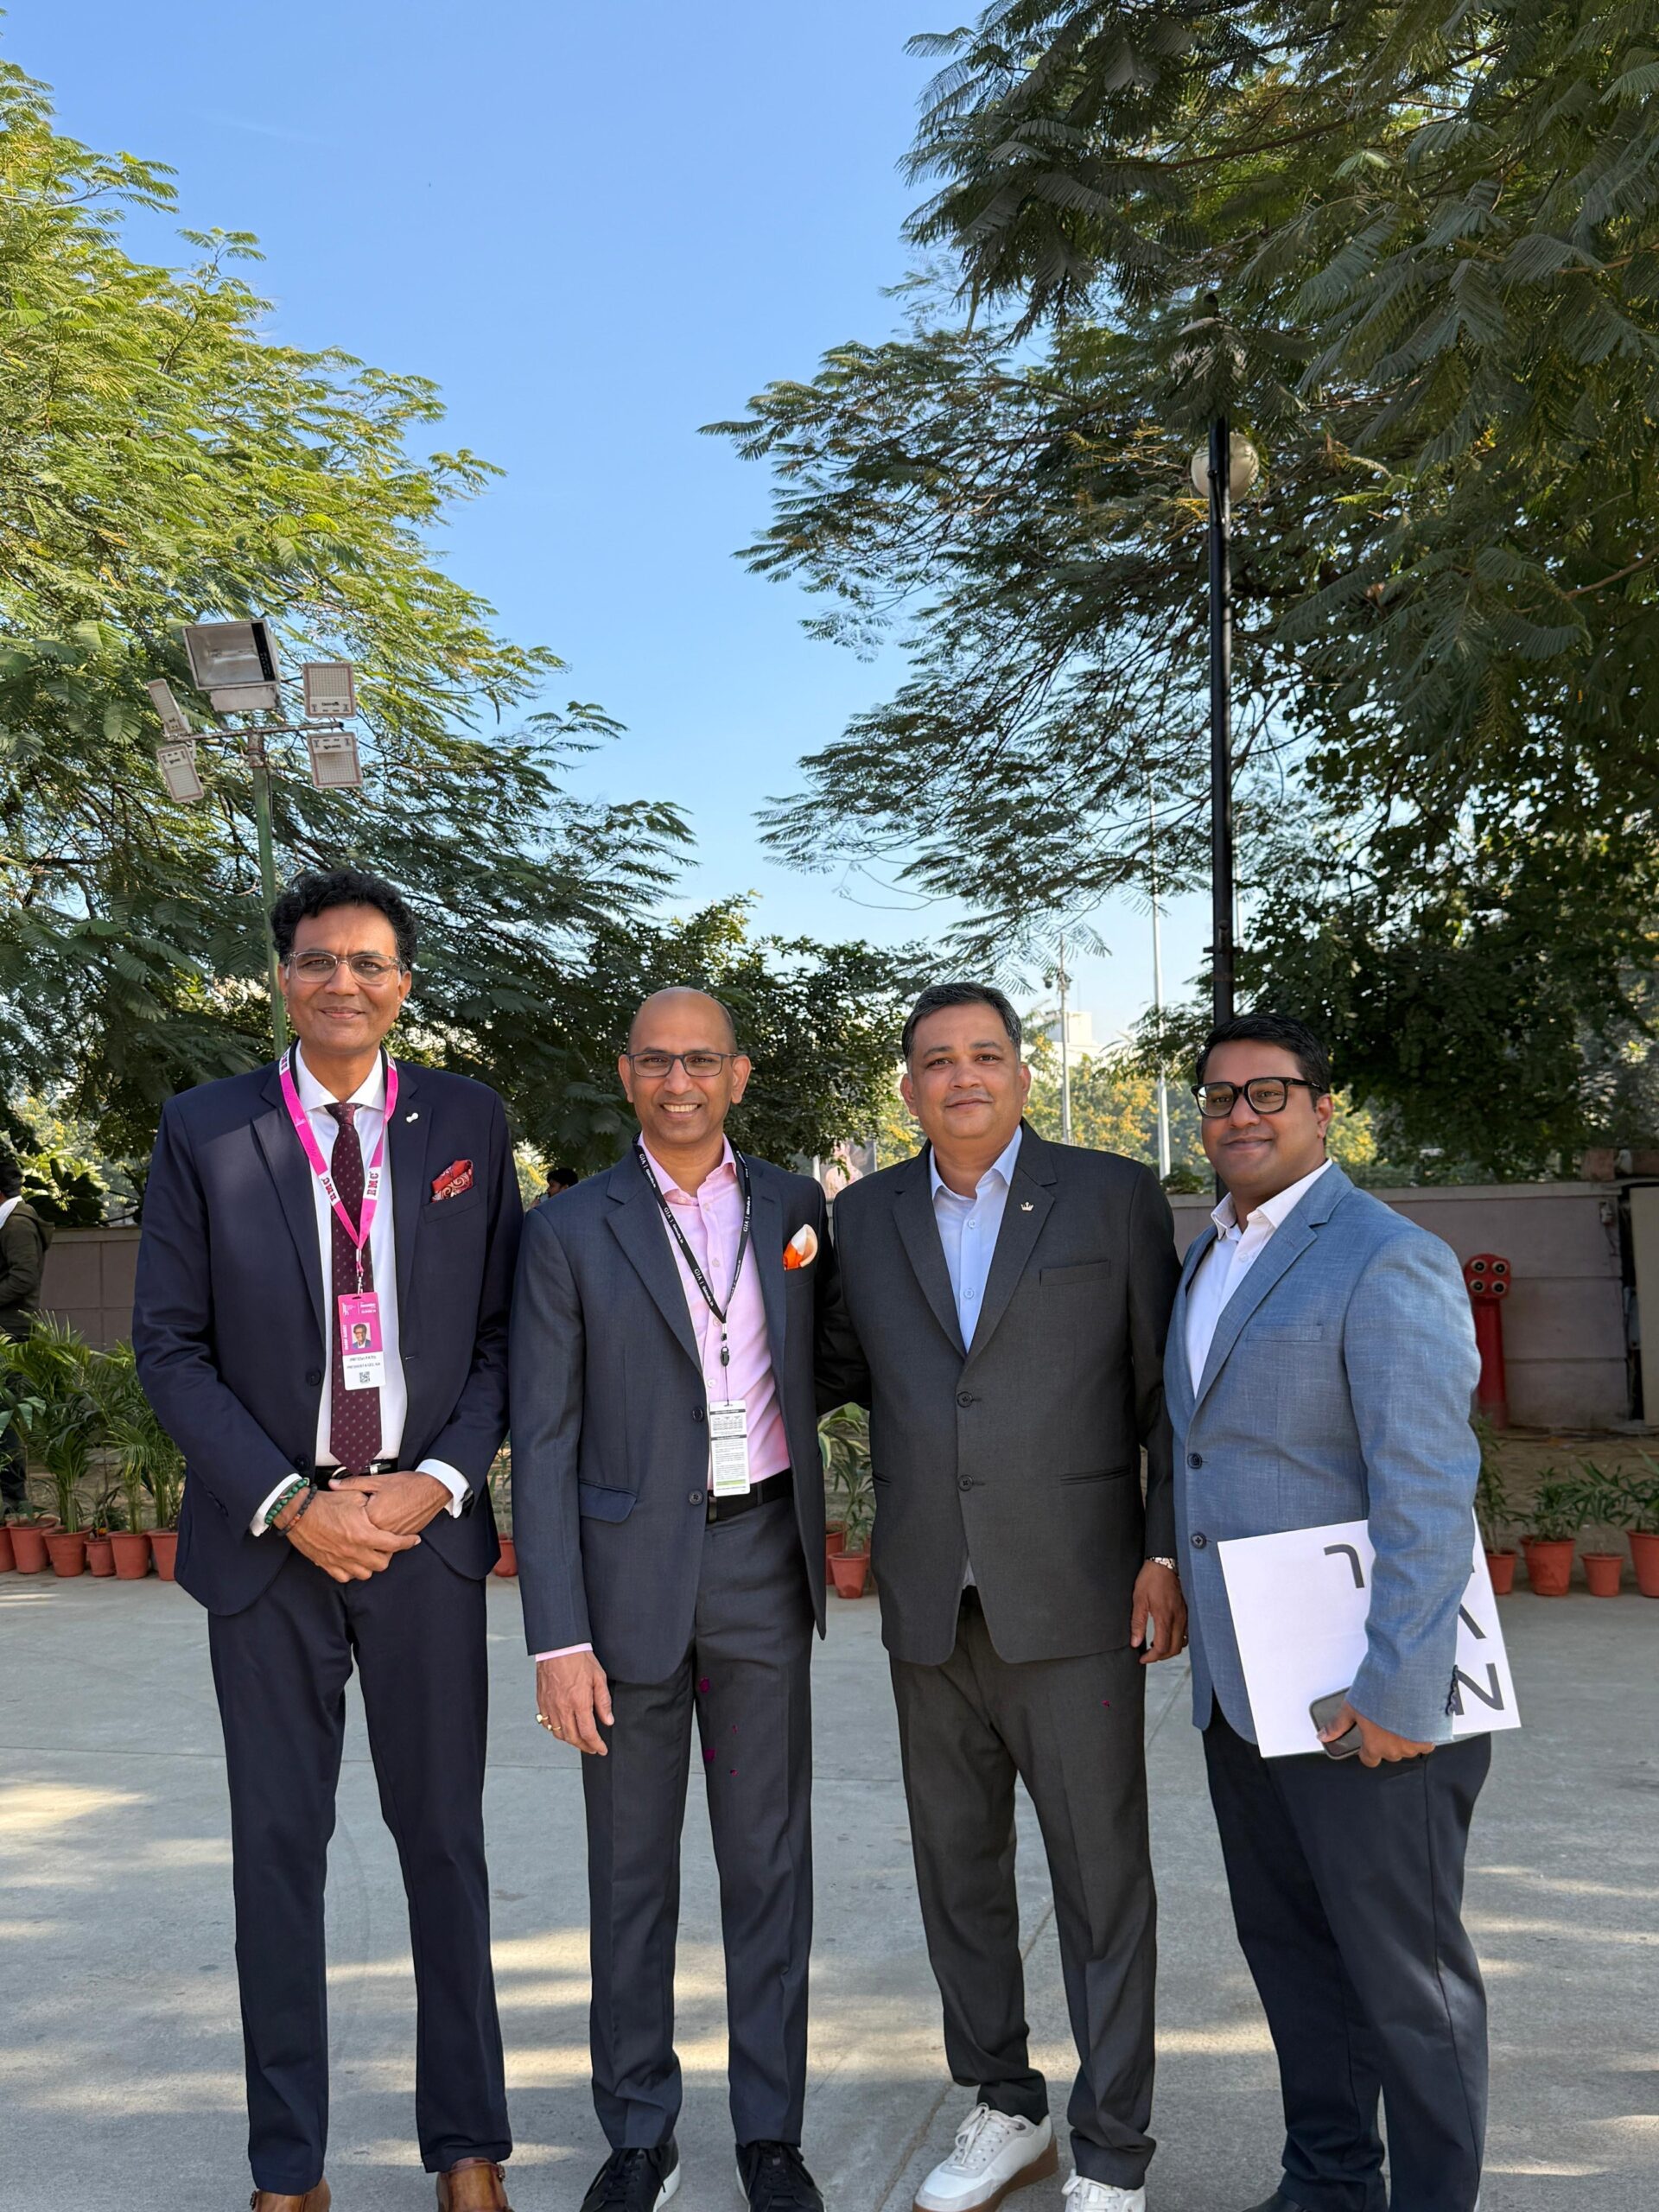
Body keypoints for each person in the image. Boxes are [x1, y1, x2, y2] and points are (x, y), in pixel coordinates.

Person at [133, 868, 523, 2212]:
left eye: (368, 962)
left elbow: (503, 1335)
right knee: (278, 1854)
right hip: (269, 1548)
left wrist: (438, 1481)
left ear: (403, 985)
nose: (341, 982)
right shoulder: (205, 1129)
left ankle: (467, 2149)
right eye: (316, 960)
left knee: (444, 1845)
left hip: (422, 1541)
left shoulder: (466, 1121)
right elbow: (168, 1346)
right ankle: (286, 2169)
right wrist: (294, 1504)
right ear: (283, 978)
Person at [817, 982, 1184, 2212]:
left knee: (1101, 1883)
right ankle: (1005, 2106)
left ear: (1024, 1074)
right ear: (908, 1087)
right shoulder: (864, 1215)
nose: (962, 1076)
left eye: (985, 1054)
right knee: (957, 1874)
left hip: (1076, 1598)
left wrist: (1166, 1553)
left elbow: (1164, 1394)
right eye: (936, 1060)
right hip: (930, 1603)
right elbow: (829, 1367)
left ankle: (1114, 2152)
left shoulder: (1112, 1194)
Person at [511, 988, 832, 2212]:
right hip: (622, 1587)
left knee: (769, 1866)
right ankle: (639, 2131)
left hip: (762, 1564)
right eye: (658, 1061)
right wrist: (557, 1635)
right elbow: (542, 1441)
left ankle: (770, 2136)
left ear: (738, 1075)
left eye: (703, 1060)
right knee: (629, 1874)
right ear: (627, 1074)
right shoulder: (567, 1228)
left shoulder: (798, 1210)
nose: (681, 1081)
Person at [1168, 1011, 1488, 2212]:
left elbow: (1429, 1487)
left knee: (1409, 1984)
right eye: (1219, 1096)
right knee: (1296, 1961)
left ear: (1322, 1108)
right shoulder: (1208, 1253)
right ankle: (1329, 2183)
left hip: (1369, 1696)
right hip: (1247, 1690)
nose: (1240, 1114)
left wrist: (1401, 1688)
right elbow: (1201, 1452)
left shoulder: (1385, 1254)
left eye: (1269, 1092)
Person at [0, 1150, 54, 1511]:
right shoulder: (10, 1220)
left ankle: (14, 1499)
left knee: (5, 1414)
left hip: (10, 1331)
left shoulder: (17, 1224)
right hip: (8, 1328)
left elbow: (24, 1277)